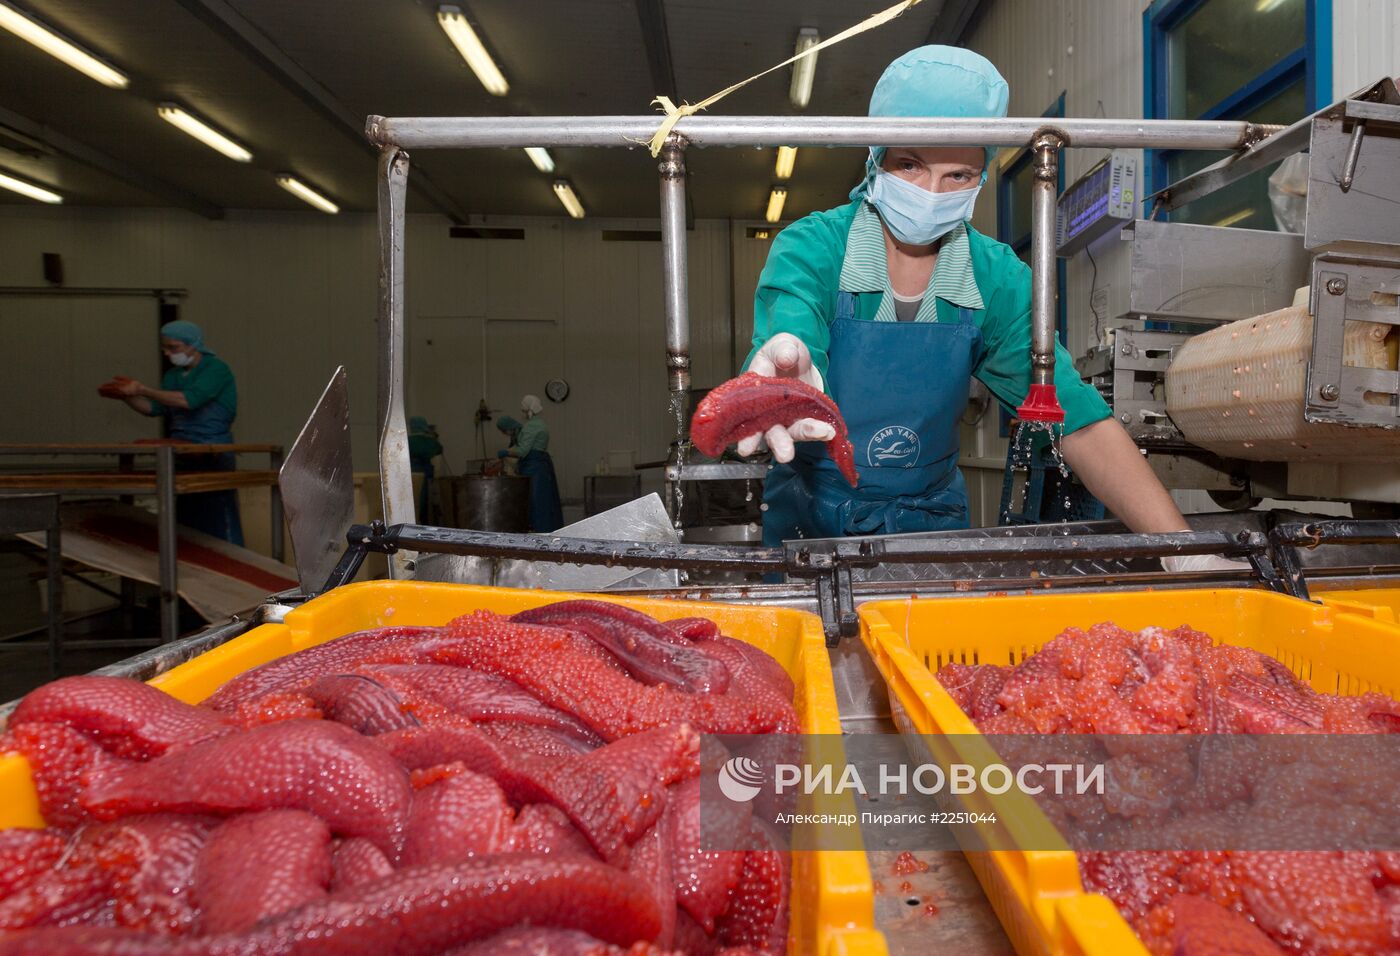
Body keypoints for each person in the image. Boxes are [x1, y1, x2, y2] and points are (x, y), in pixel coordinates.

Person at [740, 45, 1228, 572]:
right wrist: (787, 371)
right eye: (910, 164)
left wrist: (1185, 552)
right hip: (811, 520)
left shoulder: (995, 279)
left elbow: (1078, 421)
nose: (931, 192)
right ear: (876, 158)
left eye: (959, 175)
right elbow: (791, 338)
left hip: (929, 522)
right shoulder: (813, 248)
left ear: (982, 179)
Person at [99, 319, 244, 545]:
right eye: (165, 348)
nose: (168, 353)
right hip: (180, 452)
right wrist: (128, 397)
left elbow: (188, 400)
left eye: (173, 348)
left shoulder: (216, 369)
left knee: (217, 512)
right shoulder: (173, 377)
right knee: (185, 516)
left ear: (193, 345)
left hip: (213, 451)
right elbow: (154, 408)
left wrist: (143, 389)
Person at [496, 395, 563, 533]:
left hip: (533, 469)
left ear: (528, 409)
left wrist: (505, 452)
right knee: (545, 504)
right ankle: (546, 532)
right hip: (541, 467)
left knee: (535, 504)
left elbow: (522, 451)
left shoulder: (531, 427)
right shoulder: (540, 425)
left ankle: (538, 535)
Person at [408, 416, 443, 519]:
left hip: (410, 477)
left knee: (413, 503)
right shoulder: (431, 442)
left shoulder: (406, 441)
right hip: (427, 476)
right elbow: (439, 454)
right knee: (426, 504)